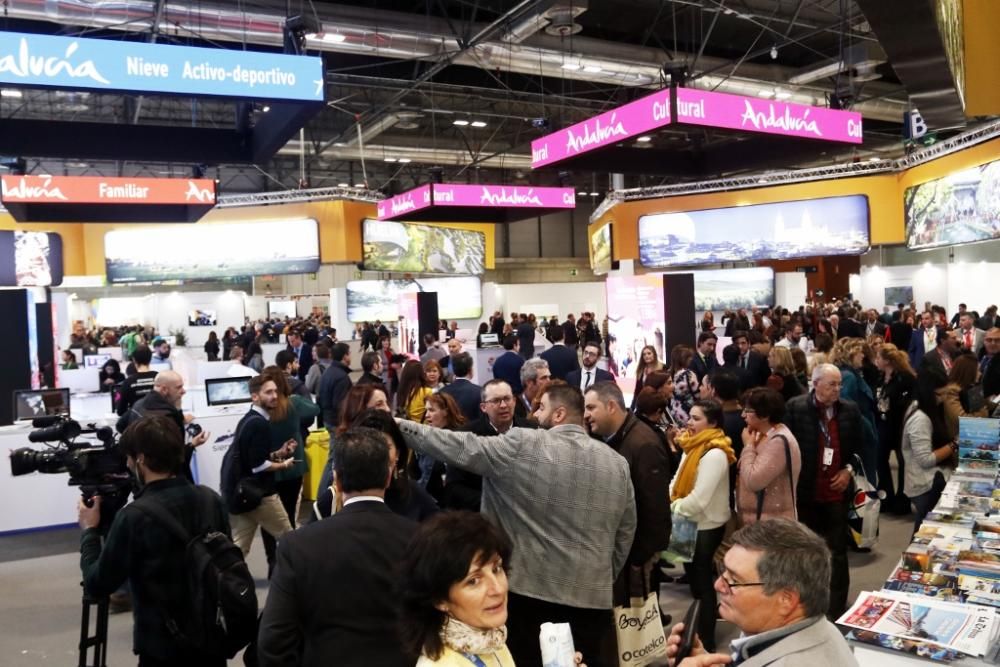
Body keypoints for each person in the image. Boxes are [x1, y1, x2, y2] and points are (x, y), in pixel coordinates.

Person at [396, 384, 637, 667]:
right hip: (593, 601)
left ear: (559, 414)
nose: (535, 414)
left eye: (542, 408)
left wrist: (397, 425)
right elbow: (625, 532)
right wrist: (600, 575)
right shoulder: (616, 463)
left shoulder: (523, 443)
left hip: (529, 599)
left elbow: (458, 446)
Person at [78, 416, 232, 667]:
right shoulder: (210, 499)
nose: (126, 464)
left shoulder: (134, 517)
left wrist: (90, 532)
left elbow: (97, 584)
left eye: (128, 458)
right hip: (211, 636)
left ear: (141, 460)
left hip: (162, 646)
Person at [258, 427, 419, 667]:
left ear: (337, 480)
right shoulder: (419, 539)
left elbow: (273, 641)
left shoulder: (298, 546)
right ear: (388, 476)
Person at [399, 512, 588, 667]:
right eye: (474, 581)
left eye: (496, 569)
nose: (497, 589)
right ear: (440, 599)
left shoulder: (490, 641)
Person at [665, 518, 859, 667]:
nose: (718, 585)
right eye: (723, 572)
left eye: (734, 580)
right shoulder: (822, 630)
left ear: (786, 600)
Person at [784, 364, 863, 619]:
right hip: (806, 493)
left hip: (836, 494)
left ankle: (836, 608)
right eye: (832, 384)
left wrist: (848, 470)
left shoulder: (850, 410)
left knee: (837, 552)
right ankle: (807, 605)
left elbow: (862, 447)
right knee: (805, 551)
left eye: (839, 384)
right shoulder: (795, 409)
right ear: (815, 384)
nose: (838, 389)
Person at [584, 382, 672, 600]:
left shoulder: (643, 444)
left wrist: (639, 558)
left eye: (591, 408)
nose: (586, 415)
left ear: (611, 406)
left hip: (635, 558)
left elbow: (655, 508)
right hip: (618, 554)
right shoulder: (609, 439)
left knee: (640, 624)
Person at [669, 399, 735, 652]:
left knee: (702, 584)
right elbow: (676, 483)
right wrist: (672, 500)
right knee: (696, 584)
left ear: (713, 422)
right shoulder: (690, 445)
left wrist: (672, 508)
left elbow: (699, 500)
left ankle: (706, 638)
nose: (689, 422)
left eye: (696, 418)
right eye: (690, 416)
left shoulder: (715, 452)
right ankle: (700, 629)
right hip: (687, 522)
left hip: (706, 526)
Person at [223, 375, 296, 558]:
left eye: (275, 392)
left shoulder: (249, 419)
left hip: (242, 493)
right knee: (291, 539)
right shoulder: (258, 424)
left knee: (239, 547)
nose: (274, 396)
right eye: (268, 392)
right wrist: (284, 465)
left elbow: (252, 459)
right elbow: (258, 466)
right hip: (261, 494)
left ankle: (225, 581)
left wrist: (278, 454)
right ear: (255, 396)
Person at [257, 367, 320, 577]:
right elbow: (315, 409)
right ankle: (287, 563)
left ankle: (272, 562)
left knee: (267, 519)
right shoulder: (294, 403)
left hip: (268, 469)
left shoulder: (261, 411)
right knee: (289, 518)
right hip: (293, 467)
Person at [447, 380, 535, 512]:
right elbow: (454, 487)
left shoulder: (533, 431)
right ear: (483, 407)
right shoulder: (466, 436)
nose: (504, 405)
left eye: (507, 399)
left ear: (515, 401)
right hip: (483, 516)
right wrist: (495, 504)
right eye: (496, 401)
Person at [902, 365, 956, 533]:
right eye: (940, 394)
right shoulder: (920, 419)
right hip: (924, 485)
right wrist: (954, 445)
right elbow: (926, 460)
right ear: (928, 392)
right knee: (925, 533)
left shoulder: (925, 409)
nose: (943, 399)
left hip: (930, 481)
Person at [738, 388, 801, 525]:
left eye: (748, 411)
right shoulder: (761, 434)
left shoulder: (779, 441)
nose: (743, 415)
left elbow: (753, 481)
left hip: (772, 526)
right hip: (758, 522)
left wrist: (748, 447)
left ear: (765, 415)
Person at [874, 343, 916, 514]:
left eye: (878, 357)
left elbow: (911, 401)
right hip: (883, 423)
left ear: (887, 361)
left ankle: (902, 499)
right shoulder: (881, 376)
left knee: (903, 462)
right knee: (880, 460)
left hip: (900, 425)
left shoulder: (905, 378)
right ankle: (886, 496)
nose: (876, 361)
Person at [833, 338, 879, 484]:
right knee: (864, 479)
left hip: (862, 430)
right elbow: (847, 408)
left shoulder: (851, 374)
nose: (863, 356)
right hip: (861, 434)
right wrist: (868, 429)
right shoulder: (849, 377)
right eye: (860, 352)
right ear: (851, 354)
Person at [939, 353, 989, 440]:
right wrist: (983, 412)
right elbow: (962, 420)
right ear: (968, 372)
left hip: (973, 434)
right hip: (959, 440)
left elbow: (983, 403)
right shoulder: (952, 391)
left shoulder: (969, 387)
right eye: (977, 370)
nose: (980, 374)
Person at [439, 351, 483, 424]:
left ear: (454, 371)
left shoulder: (441, 392)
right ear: (471, 370)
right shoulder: (480, 392)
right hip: (472, 433)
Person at [318, 342, 353, 433]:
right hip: (337, 423)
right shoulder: (341, 377)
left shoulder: (327, 372)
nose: (351, 357)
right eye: (349, 353)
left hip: (327, 418)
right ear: (345, 356)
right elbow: (341, 404)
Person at [116, 345, 159, 416]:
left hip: (137, 423)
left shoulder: (128, 382)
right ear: (150, 359)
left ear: (134, 360)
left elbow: (121, 411)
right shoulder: (159, 377)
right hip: (160, 420)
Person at [982, 327, 1000, 411]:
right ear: (984, 341)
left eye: (997, 340)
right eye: (989, 340)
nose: (993, 343)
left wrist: (995, 401)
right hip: (980, 405)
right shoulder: (981, 356)